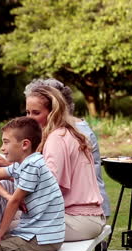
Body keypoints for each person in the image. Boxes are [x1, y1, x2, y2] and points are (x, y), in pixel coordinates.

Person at [0, 117, 65, 251]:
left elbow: (15, 202)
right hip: (38, 234)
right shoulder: (22, 164)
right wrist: (7, 195)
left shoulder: (32, 166)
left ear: (25, 145)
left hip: (40, 239)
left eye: (6, 142)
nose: (2, 148)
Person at [26, 86, 105, 241]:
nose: (29, 118)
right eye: (27, 112)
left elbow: (49, 186)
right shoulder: (67, 132)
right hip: (88, 217)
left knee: (2, 227)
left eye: (36, 113)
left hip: (78, 220)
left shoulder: (56, 138)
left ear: (53, 112)